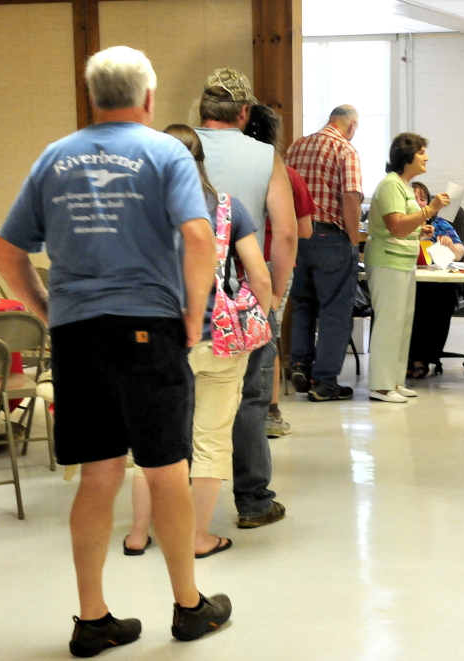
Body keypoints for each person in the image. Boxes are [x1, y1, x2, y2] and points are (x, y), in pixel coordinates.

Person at [0, 46, 230, 655]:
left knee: (97, 476)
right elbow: (199, 236)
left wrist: (49, 312)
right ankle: (187, 606)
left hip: (77, 334)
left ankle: (93, 617)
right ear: (148, 99)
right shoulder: (164, 152)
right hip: (147, 326)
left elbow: (5, 254)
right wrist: (195, 314)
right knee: (165, 469)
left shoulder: (54, 157)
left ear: (92, 97)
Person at [125, 124, 272, 559]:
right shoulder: (227, 209)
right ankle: (197, 538)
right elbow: (259, 277)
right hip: (220, 342)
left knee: (151, 439)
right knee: (211, 441)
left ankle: (137, 534)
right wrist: (255, 315)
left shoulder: (142, 213)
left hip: (159, 340)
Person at [195, 68, 297, 528]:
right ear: (243, 112)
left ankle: (172, 507)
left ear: (201, 111)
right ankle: (253, 501)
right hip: (241, 294)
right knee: (251, 398)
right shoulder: (265, 157)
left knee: (179, 400)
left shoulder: (173, 149)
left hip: (179, 296)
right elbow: (288, 233)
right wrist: (274, 296)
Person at [242, 104, 315, 438]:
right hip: (275, 264)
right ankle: (270, 412)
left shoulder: (230, 168)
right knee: (267, 336)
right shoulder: (288, 175)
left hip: (236, 260)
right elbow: (303, 231)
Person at [285, 105, 364, 401]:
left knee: (303, 303)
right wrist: (353, 242)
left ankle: (301, 367)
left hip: (296, 236)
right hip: (330, 237)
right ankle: (325, 381)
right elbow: (351, 196)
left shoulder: (295, 147)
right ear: (351, 126)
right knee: (335, 312)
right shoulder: (346, 150)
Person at [364, 133, 449, 403]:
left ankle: (394, 381)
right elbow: (395, 225)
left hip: (402, 261)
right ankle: (380, 385)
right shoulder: (390, 185)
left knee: (401, 324)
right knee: (389, 323)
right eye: (422, 152)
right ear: (407, 155)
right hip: (387, 260)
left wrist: (420, 227)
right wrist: (429, 210)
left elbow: (405, 224)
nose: (426, 157)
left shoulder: (404, 184)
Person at [407, 181, 464, 378]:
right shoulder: (402, 223)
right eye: (413, 198)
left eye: (423, 199)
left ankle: (421, 357)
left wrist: (450, 245)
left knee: (440, 296)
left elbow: (460, 252)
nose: (419, 202)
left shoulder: (439, 224)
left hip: (436, 282)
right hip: (408, 278)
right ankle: (408, 356)